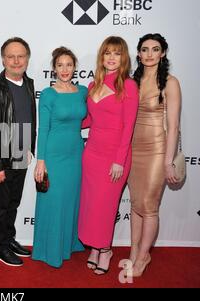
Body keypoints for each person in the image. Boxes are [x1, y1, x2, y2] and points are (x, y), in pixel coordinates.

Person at [78, 36, 139, 275]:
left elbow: (128, 126)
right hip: (91, 152)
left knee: (105, 205)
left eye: (117, 53)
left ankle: (105, 249)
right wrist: (67, 120)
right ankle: (95, 247)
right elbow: (91, 119)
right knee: (92, 205)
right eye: (107, 53)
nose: (111, 58)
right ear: (101, 57)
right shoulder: (94, 85)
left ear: (123, 58)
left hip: (114, 155)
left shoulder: (129, 85)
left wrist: (119, 160)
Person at [127, 33, 182, 277]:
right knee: (137, 204)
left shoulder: (170, 82)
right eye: (145, 49)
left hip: (156, 150)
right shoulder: (132, 82)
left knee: (149, 206)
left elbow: (174, 126)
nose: (150, 54)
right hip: (132, 149)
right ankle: (134, 251)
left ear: (163, 53)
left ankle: (143, 256)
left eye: (155, 49)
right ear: (138, 54)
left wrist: (168, 161)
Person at [0, 37, 37, 266]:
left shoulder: (29, 83)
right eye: (11, 56)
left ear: (27, 58)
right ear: (3, 59)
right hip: (2, 160)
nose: (16, 61)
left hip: (21, 155)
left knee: (13, 202)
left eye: (21, 56)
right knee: (1, 205)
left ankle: (9, 238)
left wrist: (29, 150)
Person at [32, 47, 86, 268]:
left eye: (69, 65)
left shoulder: (82, 91)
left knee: (71, 199)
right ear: (54, 68)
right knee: (53, 200)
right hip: (53, 154)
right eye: (60, 65)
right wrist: (41, 161)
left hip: (76, 152)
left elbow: (88, 118)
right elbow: (42, 129)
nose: (65, 69)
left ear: (75, 67)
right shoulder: (48, 94)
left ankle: (69, 244)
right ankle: (50, 249)